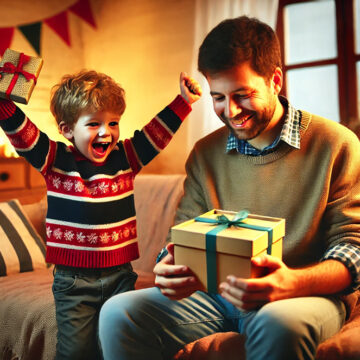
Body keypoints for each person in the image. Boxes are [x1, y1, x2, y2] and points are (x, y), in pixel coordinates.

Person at [98, 16, 360, 360]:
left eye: (242, 94)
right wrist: (169, 265)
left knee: (280, 324)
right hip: (214, 295)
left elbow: (353, 248)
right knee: (118, 313)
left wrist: (290, 282)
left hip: (301, 294)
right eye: (218, 97)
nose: (230, 110)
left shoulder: (336, 144)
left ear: (275, 81)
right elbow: (183, 236)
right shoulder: (205, 153)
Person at [0, 69, 201, 359]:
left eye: (113, 123)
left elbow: (156, 133)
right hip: (74, 282)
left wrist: (183, 101)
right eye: (94, 124)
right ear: (67, 130)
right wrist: (4, 103)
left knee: (120, 345)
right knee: (76, 353)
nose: (106, 132)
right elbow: (24, 134)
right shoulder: (55, 159)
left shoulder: (126, 157)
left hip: (121, 275)